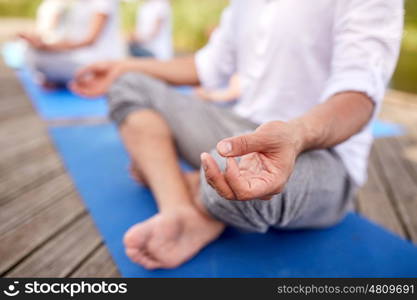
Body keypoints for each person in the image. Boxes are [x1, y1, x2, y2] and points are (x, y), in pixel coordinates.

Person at [71, 0, 403, 270]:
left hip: (322, 153)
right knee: (128, 83)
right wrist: (122, 66)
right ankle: (179, 209)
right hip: (241, 129)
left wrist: (296, 135)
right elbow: (206, 68)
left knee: (233, 174)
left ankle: (190, 186)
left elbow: (358, 97)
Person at [19, 0, 124, 87]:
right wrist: (44, 45)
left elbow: (89, 41)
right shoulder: (79, 4)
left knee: (37, 59)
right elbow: (71, 38)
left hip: (96, 61)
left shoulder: (103, 3)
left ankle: (94, 78)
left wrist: (49, 47)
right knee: (29, 52)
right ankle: (70, 79)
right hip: (77, 57)